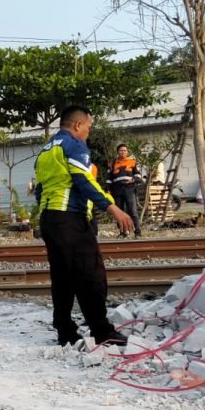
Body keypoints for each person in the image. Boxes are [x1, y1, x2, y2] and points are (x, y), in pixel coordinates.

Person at [34, 105, 135, 347]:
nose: (88, 132)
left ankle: (65, 331)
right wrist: (114, 208)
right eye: (88, 127)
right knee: (92, 274)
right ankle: (102, 331)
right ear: (77, 125)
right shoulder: (74, 145)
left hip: (50, 219)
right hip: (70, 219)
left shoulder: (47, 150)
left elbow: (39, 190)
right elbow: (84, 183)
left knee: (63, 277)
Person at [107, 144, 143, 238]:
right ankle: (124, 233)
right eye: (121, 150)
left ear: (127, 152)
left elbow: (139, 176)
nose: (123, 152)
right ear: (118, 152)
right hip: (117, 191)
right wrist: (108, 189)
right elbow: (109, 179)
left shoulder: (133, 162)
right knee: (119, 213)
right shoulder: (112, 164)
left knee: (133, 211)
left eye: (125, 150)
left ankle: (137, 233)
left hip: (129, 189)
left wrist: (133, 179)